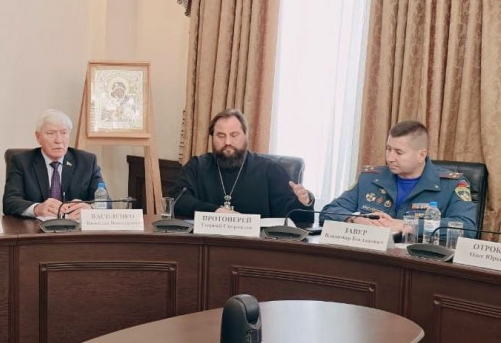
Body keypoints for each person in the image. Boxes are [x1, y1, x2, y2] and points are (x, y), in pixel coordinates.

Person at [320, 120, 476, 236]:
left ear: (421, 155)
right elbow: (328, 212)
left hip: (419, 261)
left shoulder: (453, 184)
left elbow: (467, 228)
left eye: (398, 152)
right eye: (388, 149)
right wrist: (356, 220)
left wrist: (407, 225)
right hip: (370, 258)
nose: (390, 158)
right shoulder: (369, 178)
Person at [172, 108, 315, 224]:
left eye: (234, 135)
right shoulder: (198, 166)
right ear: (212, 137)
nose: (227, 142)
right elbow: (176, 199)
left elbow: (295, 218)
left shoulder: (269, 170)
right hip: (206, 244)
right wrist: (215, 211)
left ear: (246, 135)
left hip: (255, 247)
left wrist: (304, 202)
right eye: (221, 136)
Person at [3, 109, 104, 219]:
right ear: (38, 137)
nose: (58, 140)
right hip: (35, 227)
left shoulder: (87, 161)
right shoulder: (21, 161)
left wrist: (90, 208)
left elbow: (105, 202)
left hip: (76, 227)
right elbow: (10, 202)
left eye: (64, 133)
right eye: (51, 133)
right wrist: (37, 208)